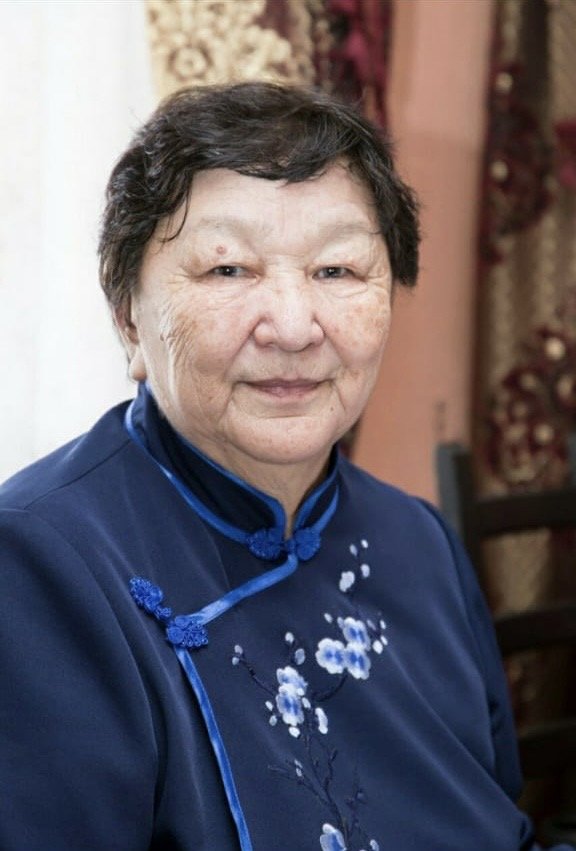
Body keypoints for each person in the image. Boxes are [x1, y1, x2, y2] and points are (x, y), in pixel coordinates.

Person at [0, 82, 571, 851]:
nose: (295, 327)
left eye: (337, 270)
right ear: (129, 317)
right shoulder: (38, 563)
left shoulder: (418, 537)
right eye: (227, 270)